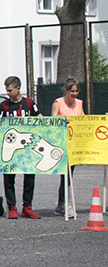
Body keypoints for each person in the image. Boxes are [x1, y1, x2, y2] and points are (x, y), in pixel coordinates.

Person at [0, 76, 42, 219]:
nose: (8, 93)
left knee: (29, 176)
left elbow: (40, 118)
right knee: (9, 177)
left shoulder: (29, 103)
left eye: (10, 90)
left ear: (18, 88)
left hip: (28, 147)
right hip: (10, 148)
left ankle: (27, 207)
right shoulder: (4, 105)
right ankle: (12, 207)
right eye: (6, 90)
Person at [51, 77, 83, 217]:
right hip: (61, 143)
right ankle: (67, 204)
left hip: (74, 144)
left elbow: (83, 119)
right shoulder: (58, 103)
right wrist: (62, 121)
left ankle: (60, 205)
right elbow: (52, 122)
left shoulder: (79, 104)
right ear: (66, 90)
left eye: (76, 91)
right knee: (66, 175)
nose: (74, 94)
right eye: (72, 91)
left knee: (67, 175)